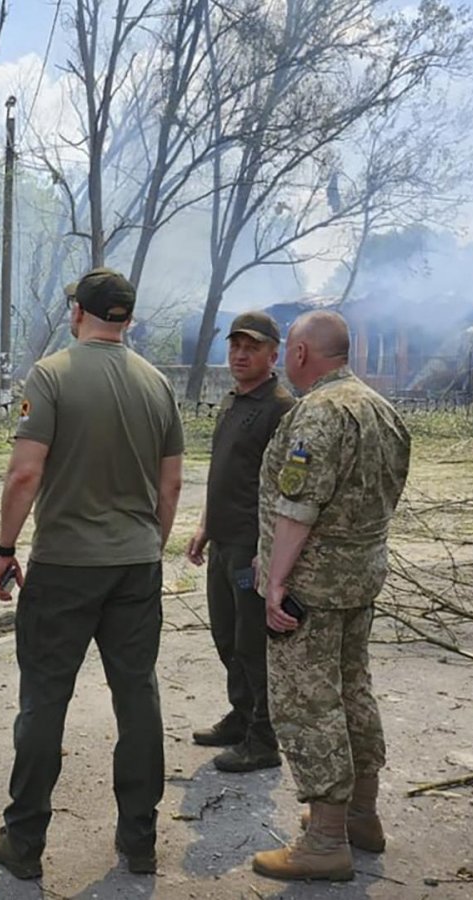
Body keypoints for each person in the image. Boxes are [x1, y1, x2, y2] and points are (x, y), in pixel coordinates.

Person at [0, 268, 185, 880]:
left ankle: (24, 843)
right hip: (135, 565)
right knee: (137, 695)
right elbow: (171, 483)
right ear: (123, 318)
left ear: (80, 313)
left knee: (44, 700)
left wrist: (4, 545)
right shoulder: (157, 384)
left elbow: (24, 474)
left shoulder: (52, 375)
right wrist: (151, 542)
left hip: (66, 565)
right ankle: (140, 840)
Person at [250, 310, 411, 882]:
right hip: (360, 579)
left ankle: (323, 840)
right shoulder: (381, 409)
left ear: (297, 354)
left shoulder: (318, 414)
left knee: (309, 703)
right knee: (351, 690)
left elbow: (298, 509)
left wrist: (274, 582)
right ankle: (362, 816)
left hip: (309, 589)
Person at [186, 311, 296, 773]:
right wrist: (204, 526)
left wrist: (268, 553)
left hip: (253, 547)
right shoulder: (233, 402)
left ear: (275, 354)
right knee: (227, 637)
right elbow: (224, 474)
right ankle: (241, 715)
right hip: (224, 541)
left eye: (251, 347)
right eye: (235, 346)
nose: (240, 354)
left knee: (253, 644)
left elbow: (284, 489)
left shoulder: (281, 408)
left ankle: (264, 739)